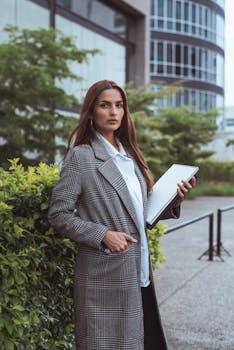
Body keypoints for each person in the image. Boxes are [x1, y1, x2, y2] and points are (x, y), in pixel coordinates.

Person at [48, 79, 196, 350]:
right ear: (92, 112)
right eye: (105, 105)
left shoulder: (130, 156)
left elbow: (138, 214)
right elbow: (58, 214)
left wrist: (174, 200)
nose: (114, 112)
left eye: (119, 106)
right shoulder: (82, 157)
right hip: (102, 276)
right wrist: (102, 234)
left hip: (135, 271)